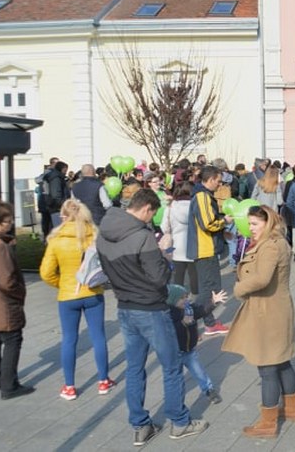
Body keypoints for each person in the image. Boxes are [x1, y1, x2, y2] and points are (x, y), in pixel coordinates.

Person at [97, 189, 207, 445]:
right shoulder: (142, 236)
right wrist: (165, 255)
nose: (151, 219)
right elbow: (159, 278)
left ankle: (140, 425)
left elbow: (106, 270)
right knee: (171, 366)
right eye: (152, 214)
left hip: (125, 307)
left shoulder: (103, 233)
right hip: (151, 309)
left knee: (135, 368)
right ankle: (179, 422)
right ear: (146, 208)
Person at [222, 205, 295, 438]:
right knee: (282, 361)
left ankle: (268, 423)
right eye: (250, 223)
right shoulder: (278, 242)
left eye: (255, 224)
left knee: (267, 367)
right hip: (276, 308)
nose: (250, 228)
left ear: (268, 223)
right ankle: (292, 409)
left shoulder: (270, 246)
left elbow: (263, 278)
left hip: (268, 311)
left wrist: (238, 289)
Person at [39, 200, 115, 401]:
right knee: (98, 336)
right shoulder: (95, 235)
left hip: (67, 296)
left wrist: (62, 284)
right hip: (93, 291)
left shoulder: (56, 239)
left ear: (63, 216)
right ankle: (103, 381)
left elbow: (46, 273)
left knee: (69, 339)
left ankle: (70, 386)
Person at [0, 200, 34, 400]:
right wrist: (19, 292)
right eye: (7, 221)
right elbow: (7, 281)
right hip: (4, 303)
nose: (11, 224)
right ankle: (9, 385)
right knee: (12, 340)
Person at [187, 165, 231, 336]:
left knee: (208, 288)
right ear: (211, 179)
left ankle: (209, 321)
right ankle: (190, 320)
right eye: (218, 181)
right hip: (205, 249)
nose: (219, 185)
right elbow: (208, 223)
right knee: (210, 289)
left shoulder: (202, 195)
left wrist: (221, 232)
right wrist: (224, 222)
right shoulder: (202, 197)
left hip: (205, 247)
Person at [166, 284, 226, 405]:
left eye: (186, 297)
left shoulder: (189, 308)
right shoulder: (168, 314)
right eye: (182, 298)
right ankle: (175, 400)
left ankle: (209, 390)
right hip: (174, 352)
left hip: (189, 350)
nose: (186, 300)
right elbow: (169, 331)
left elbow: (201, 311)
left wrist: (213, 302)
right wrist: (182, 323)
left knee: (199, 372)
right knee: (175, 378)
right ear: (172, 300)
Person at [163, 181, 198, 294]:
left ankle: (178, 301)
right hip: (194, 246)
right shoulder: (196, 207)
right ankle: (197, 301)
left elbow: (164, 227)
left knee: (178, 278)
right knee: (195, 277)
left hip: (176, 247)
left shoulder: (171, 207)